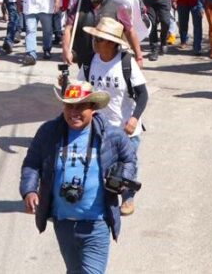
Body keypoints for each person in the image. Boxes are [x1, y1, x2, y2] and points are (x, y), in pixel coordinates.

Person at [20, 81, 137, 274]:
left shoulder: (112, 135)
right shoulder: (48, 132)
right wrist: (29, 190)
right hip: (63, 222)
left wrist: (120, 177)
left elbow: (130, 160)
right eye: (69, 105)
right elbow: (32, 163)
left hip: (96, 224)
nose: (74, 111)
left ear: (93, 108)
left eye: (80, 106)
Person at [79, 17, 149, 216]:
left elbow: (143, 94)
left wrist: (134, 118)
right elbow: (81, 87)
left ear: (111, 43)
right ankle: (101, 198)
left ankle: (128, 199)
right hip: (99, 127)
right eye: (95, 38)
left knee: (126, 166)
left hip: (126, 128)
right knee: (100, 165)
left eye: (99, 39)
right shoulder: (89, 61)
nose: (95, 42)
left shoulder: (126, 63)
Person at [63, 0, 143, 70]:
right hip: (84, 59)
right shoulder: (78, 5)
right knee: (85, 84)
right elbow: (68, 29)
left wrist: (139, 57)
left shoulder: (117, 8)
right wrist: (66, 50)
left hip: (109, 60)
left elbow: (129, 31)